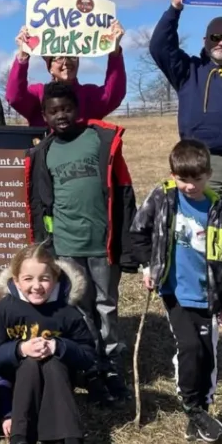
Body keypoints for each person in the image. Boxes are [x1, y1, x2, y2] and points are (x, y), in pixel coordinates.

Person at [26, 81, 137, 404]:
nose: (61, 116)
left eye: (67, 109)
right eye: (54, 111)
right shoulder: (44, 152)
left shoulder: (100, 141)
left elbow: (125, 193)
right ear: (45, 115)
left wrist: (128, 243)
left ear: (78, 109)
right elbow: (39, 205)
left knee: (106, 306)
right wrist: (44, 246)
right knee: (81, 310)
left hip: (102, 243)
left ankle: (112, 365)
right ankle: (91, 367)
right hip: (67, 245)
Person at [130, 139, 222, 443]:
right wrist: (149, 267)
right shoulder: (164, 197)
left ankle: (200, 411)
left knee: (206, 354)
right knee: (189, 347)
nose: (190, 186)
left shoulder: (219, 209)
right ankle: (191, 405)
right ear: (173, 174)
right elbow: (139, 232)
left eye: (197, 179)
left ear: (209, 174)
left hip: (208, 296)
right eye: (183, 178)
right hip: (174, 292)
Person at [0, 244, 96, 444]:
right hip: (20, 381)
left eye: (44, 278)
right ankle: (20, 438)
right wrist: (20, 349)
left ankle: (70, 439)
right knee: (30, 364)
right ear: (16, 280)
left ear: (55, 278)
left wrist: (58, 346)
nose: (37, 286)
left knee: (53, 363)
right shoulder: (5, 308)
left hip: (59, 379)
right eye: (28, 279)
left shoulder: (67, 311)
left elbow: (88, 355)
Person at [149, 0, 222, 204]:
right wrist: (175, 8)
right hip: (203, 164)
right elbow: (160, 47)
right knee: (212, 229)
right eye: (216, 37)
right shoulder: (189, 70)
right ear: (205, 40)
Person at [6, 21, 126, 127]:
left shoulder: (89, 95)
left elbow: (114, 95)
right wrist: (22, 55)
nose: (66, 62)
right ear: (50, 68)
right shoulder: (39, 94)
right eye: (59, 58)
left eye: (72, 57)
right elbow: (15, 97)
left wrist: (114, 53)